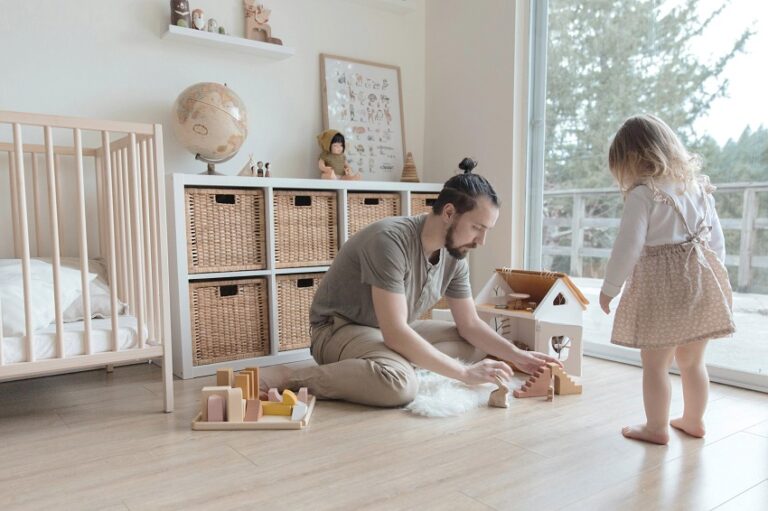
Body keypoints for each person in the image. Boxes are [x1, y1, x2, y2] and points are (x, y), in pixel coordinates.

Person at [261, 158, 562, 407]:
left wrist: (520, 357)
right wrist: (464, 374)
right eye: (477, 228)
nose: (481, 241)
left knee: (471, 345)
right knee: (400, 387)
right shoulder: (389, 241)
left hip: (391, 329)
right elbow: (395, 332)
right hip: (339, 328)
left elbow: (469, 323)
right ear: (448, 213)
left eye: (487, 231)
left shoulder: (455, 255)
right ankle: (293, 378)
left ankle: (390, 365)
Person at [599, 114, 735, 445]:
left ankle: (656, 427)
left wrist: (609, 289)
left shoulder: (643, 194)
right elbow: (717, 244)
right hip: (701, 282)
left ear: (630, 159)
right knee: (693, 361)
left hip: (663, 289)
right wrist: (719, 280)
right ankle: (693, 420)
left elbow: (627, 247)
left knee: (656, 364)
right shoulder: (700, 188)